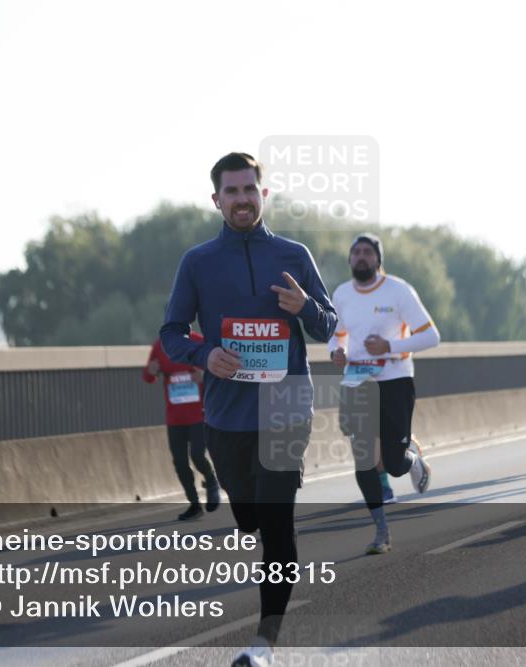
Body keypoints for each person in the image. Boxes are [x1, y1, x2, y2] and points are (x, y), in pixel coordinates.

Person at [160, 152, 337, 667]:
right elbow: (170, 333)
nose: (242, 199)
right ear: (216, 200)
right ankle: (247, 511)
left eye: (250, 190)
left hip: (286, 402)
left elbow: (328, 327)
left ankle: (264, 645)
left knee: (278, 522)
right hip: (226, 411)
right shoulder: (197, 262)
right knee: (248, 515)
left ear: (264, 194)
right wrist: (203, 353)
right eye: (232, 192)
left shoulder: (294, 253)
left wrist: (304, 307)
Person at [328, 233, 440, 555]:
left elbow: (431, 336)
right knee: (364, 460)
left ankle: (413, 459)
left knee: (392, 463)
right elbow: (337, 337)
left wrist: (391, 347)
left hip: (395, 380)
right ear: (350, 260)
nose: (361, 257)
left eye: (368, 252)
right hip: (357, 380)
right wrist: (337, 351)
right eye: (356, 252)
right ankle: (381, 532)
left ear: (378, 259)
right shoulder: (342, 293)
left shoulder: (399, 290)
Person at [142, 331, 220, 520]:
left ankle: (211, 480)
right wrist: (151, 371)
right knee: (180, 462)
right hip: (174, 417)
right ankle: (194, 504)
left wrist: (204, 375)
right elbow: (148, 377)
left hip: (199, 415)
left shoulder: (199, 341)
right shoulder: (160, 345)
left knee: (197, 455)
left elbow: (217, 371)